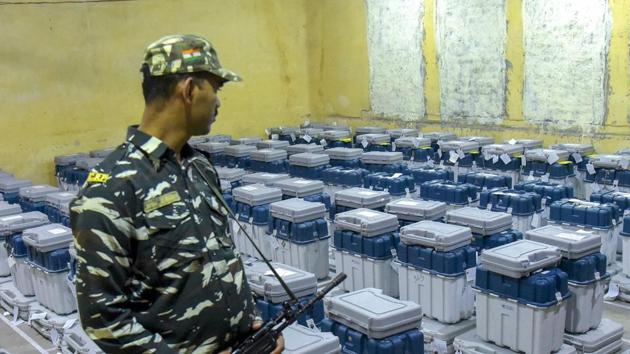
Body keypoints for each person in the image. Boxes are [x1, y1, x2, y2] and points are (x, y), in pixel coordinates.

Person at [70, 34, 283, 354]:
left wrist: (250, 329)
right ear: (189, 90)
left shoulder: (200, 166)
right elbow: (103, 317)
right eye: (216, 89)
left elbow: (218, 256)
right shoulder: (112, 188)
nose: (219, 102)